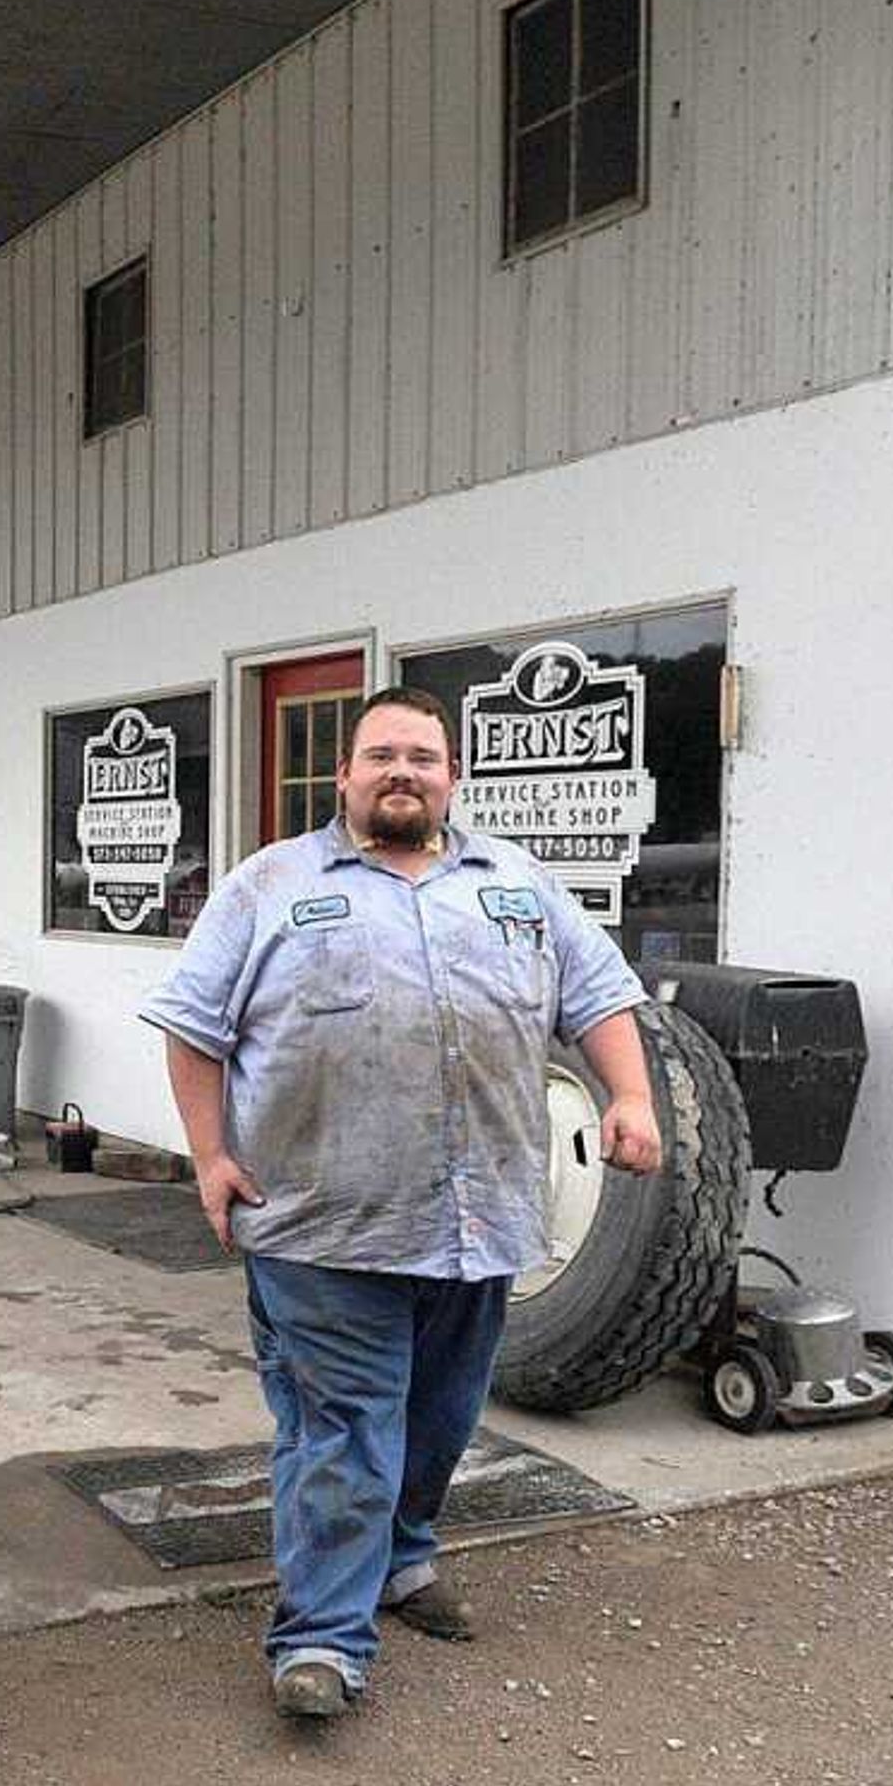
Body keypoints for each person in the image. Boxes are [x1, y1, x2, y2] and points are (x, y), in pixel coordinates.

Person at [140, 686, 659, 1722]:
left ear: (452, 776)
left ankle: (400, 1562)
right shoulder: (271, 884)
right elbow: (194, 1027)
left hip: (481, 1219)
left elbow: (600, 996)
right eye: (382, 754)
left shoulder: (517, 882)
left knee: (441, 1418)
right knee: (344, 1428)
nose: (403, 772)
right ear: (346, 775)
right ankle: (323, 1640)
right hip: (323, 1220)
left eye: (423, 756)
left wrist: (634, 1096)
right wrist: (208, 1157)